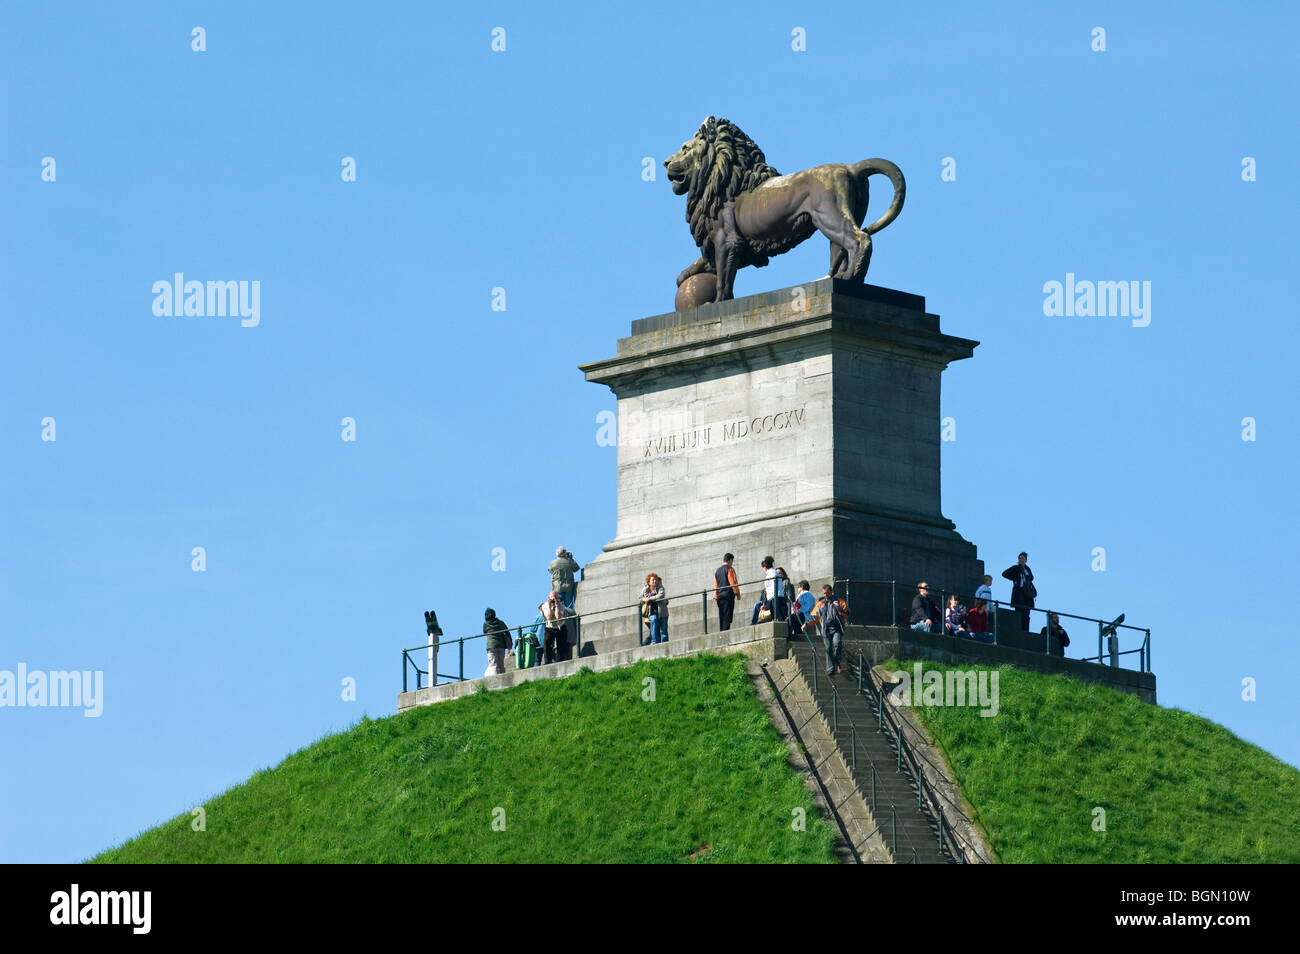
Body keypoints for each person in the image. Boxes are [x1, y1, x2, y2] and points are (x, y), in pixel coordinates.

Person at [808, 585, 851, 676]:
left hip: (837, 628)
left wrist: (840, 609)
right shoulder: (821, 603)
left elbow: (848, 613)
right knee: (828, 648)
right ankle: (830, 669)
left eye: (827, 593)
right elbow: (814, 615)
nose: (826, 595)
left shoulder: (840, 601)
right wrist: (806, 624)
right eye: (824, 593)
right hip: (826, 629)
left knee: (837, 644)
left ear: (831, 592)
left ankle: (837, 662)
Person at [1002, 553, 1036, 631]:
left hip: (1027, 593)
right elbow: (1004, 574)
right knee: (1019, 611)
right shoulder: (1016, 568)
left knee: (1026, 612)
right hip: (1019, 592)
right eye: (1020, 558)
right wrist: (1015, 579)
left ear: (1026, 560)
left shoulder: (1028, 569)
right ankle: (1019, 629)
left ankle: (1026, 630)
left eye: (1023, 558)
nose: (1021, 560)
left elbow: (1031, 578)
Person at [540, 591, 574, 664]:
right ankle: (547, 661)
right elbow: (549, 617)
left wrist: (557, 605)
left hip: (561, 626)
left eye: (555, 598)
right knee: (547, 644)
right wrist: (549, 606)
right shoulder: (544, 606)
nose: (553, 600)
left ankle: (560, 661)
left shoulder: (561, 605)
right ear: (548, 598)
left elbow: (558, 617)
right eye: (552, 599)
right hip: (550, 627)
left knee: (561, 646)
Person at [713, 553, 740, 631]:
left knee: (722, 616)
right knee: (728, 616)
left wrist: (716, 596)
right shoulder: (730, 569)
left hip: (720, 597)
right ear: (730, 560)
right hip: (728, 596)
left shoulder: (717, 571)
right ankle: (725, 633)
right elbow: (733, 583)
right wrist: (737, 593)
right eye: (732, 561)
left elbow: (716, 586)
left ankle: (722, 633)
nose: (732, 563)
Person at [640, 573, 669, 645]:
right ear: (649, 582)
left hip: (662, 612)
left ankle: (665, 644)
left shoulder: (660, 587)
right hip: (652, 611)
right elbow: (640, 598)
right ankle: (654, 642)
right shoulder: (645, 589)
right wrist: (645, 599)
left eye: (655, 580)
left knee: (663, 630)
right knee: (653, 628)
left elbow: (660, 596)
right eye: (652, 580)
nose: (654, 581)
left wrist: (649, 599)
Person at [549, 547, 580, 612]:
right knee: (569, 607)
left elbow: (550, 570)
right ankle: (570, 620)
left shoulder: (553, 563)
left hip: (557, 588)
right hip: (569, 587)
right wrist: (571, 559)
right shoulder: (569, 562)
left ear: (557, 553)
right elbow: (576, 568)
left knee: (559, 606)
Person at [483, 608, 512, 676]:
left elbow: (485, 632)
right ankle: (503, 678)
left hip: (491, 646)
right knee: (501, 664)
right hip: (501, 645)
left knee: (493, 664)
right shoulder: (501, 623)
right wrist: (510, 644)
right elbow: (507, 631)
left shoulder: (486, 624)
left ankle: (495, 681)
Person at [751, 556, 778, 624]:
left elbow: (772, 588)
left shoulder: (771, 573)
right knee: (757, 605)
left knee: (774, 614)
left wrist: (765, 604)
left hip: (772, 597)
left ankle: (753, 623)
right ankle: (753, 623)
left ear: (765, 567)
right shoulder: (772, 572)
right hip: (770, 598)